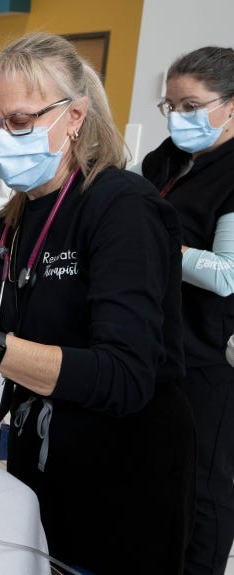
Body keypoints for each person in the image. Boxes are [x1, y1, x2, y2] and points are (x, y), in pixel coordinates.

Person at [0, 32, 195, 573]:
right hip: (40, 462)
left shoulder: (122, 208)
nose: (2, 138)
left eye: (20, 121)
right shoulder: (13, 220)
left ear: (75, 116)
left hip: (122, 475)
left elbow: (123, 376)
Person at [140, 46, 234, 575]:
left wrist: (158, 244)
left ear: (232, 107)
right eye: (170, 106)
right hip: (159, 345)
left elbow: (226, 274)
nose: (178, 118)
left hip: (209, 355)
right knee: (161, 473)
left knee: (204, 485)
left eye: (191, 106)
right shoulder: (169, 158)